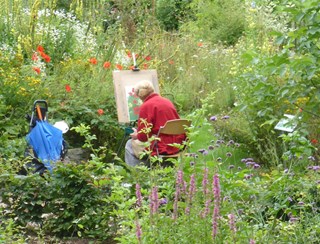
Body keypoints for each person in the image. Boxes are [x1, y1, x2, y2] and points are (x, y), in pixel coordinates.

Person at [125, 80, 186, 167]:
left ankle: (138, 173)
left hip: (160, 146)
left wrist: (136, 135)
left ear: (139, 95)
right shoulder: (167, 101)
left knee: (130, 144)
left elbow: (143, 137)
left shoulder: (146, 106)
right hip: (176, 144)